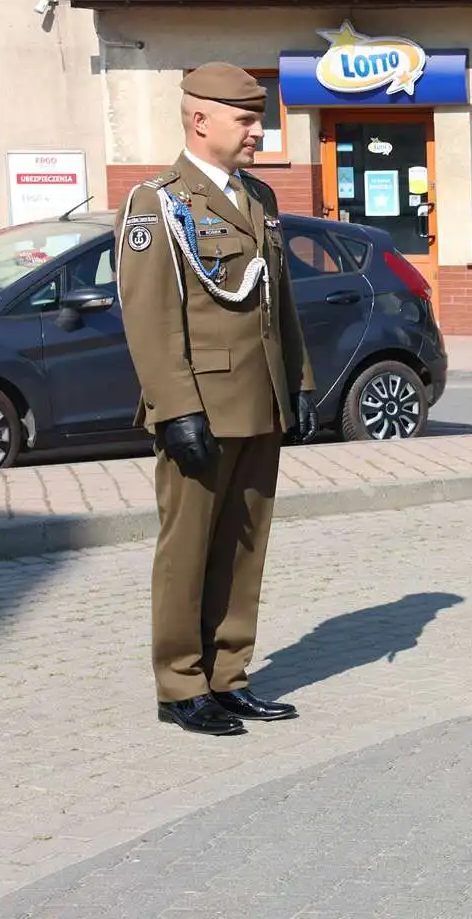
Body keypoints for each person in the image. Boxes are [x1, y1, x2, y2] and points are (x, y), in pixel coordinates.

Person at [115, 62, 319, 736]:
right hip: (201, 405)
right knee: (188, 548)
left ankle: (228, 675)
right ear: (200, 121)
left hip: (258, 402)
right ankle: (180, 684)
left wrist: (300, 384)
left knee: (243, 546)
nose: (259, 130)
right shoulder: (159, 202)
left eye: (258, 117)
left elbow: (278, 304)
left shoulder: (257, 197)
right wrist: (177, 409)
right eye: (246, 119)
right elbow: (149, 314)